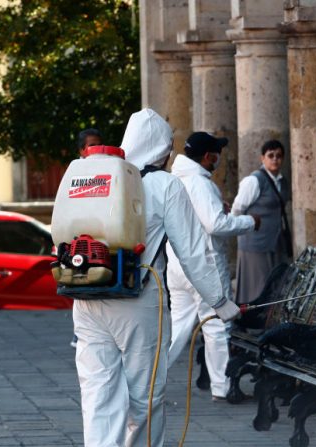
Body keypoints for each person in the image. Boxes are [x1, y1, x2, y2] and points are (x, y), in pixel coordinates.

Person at [72, 109, 241, 446]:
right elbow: (194, 253)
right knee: (144, 396)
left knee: (98, 397)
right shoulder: (164, 184)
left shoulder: (93, 176)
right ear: (163, 149)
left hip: (86, 298)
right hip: (138, 302)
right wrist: (221, 303)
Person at [165, 132, 260, 400]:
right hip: (205, 267)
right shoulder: (200, 183)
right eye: (217, 152)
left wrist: (219, 207)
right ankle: (223, 386)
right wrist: (249, 222)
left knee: (178, 329)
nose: (219, 158)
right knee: (217, 326)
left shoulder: (176, 179)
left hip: (178, 266)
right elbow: (215, 224)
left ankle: (148, 380)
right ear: (208, 156)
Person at [232, 140, 291, 305]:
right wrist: (242, 234)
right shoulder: (254, 181)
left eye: (279, 156)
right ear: (262, 158)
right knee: (256, 285)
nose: (275, 159)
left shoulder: (282, 182)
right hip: (254, 242)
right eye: (270, 156)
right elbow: (237, 209)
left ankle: (266, 321)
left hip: (275, 241)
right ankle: (250, 321)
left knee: (272, 283)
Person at [70, 128, 104, 349]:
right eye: (91, 145)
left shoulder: (106, 168)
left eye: (98, 145)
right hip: (80, 234)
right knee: (81, 280)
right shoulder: (76, 171)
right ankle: (79, 333)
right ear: (82, 150)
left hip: (101, 232)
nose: (96, 150)